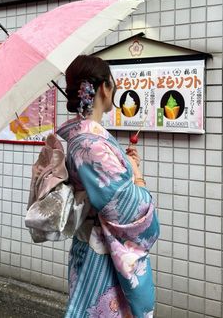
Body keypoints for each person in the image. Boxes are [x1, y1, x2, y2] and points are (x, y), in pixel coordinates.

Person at [57, 55, 160, 318]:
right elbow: (129, 208)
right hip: (101, 255)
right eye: (113, 82)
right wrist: (136, 177)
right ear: (104, 87)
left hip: (97, 246)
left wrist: (124, 163)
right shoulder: (90, 145)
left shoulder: (91, 140)